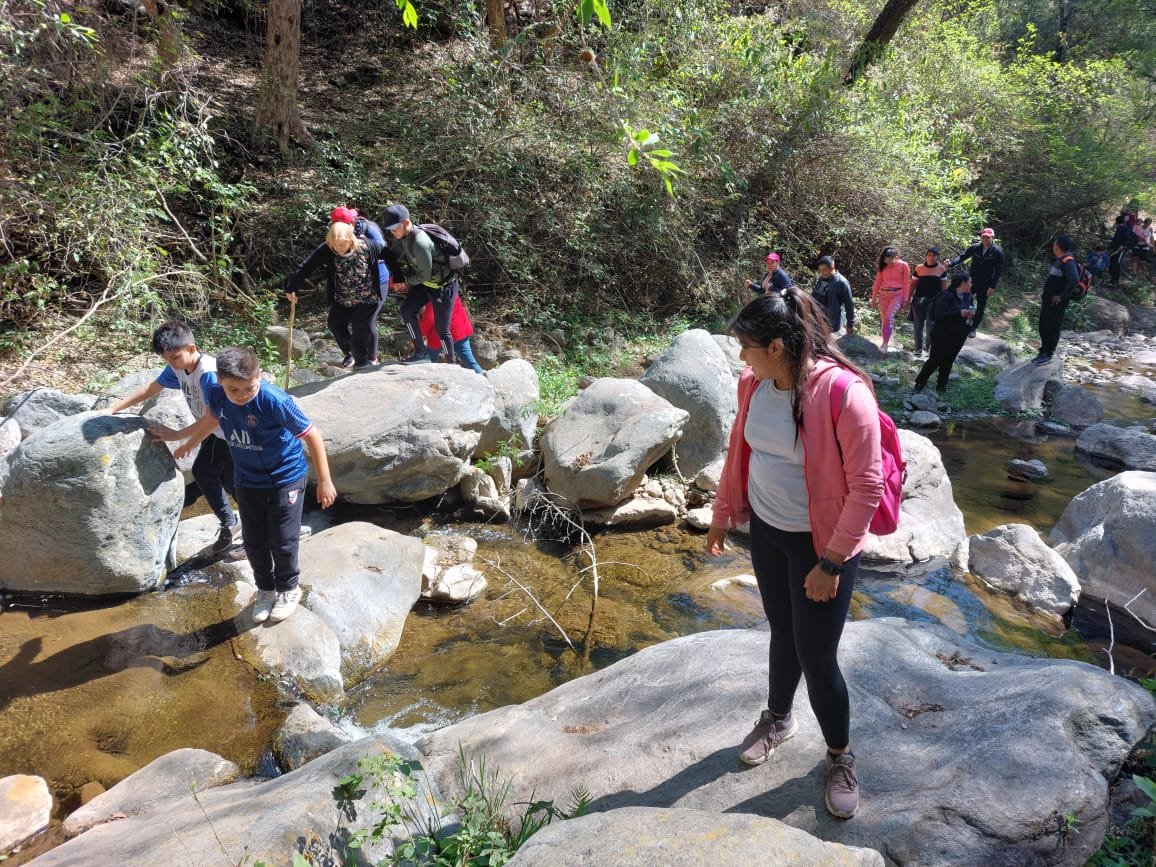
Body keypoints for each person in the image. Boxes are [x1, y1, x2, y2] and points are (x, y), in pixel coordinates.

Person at [707, 287, 884, 820]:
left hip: (821, 543)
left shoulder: (843, 394)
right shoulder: (752, 384)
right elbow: (740, 449)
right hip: (767, 529)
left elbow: (867, 486)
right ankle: (778, 718)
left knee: (817, 654)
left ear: (779, 346)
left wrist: (831, 562)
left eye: (748, 346)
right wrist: (722, 513)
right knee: (782, 631)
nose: (742, 356)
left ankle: (839, 756)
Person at [157, 347, 337, 624]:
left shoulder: (273, 400)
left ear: (259, 377)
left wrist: (324, 480)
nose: (242, 395)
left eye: (248, 388)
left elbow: (312, 434)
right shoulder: (216, 395)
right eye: (234, 389)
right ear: (219, 380)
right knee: (253, 541)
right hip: (247, 478)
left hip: (285, 477)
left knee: (282, 539)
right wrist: (189, 444)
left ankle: (289, 588)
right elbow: (211, 420)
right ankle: (265, 589)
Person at [108, 320, 241, 553]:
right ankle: (231, 523)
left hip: (235, 434)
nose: (171, 364)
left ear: (191, 348)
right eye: (167, 359)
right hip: (216, 433)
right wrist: (113, 409)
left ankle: (262, 530)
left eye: (175, 357)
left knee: (235, 483)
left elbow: (213, 418)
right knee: (203, 472)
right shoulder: (177, 367)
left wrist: (179, 436)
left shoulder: (209, 375)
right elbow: (151, 389)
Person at [286, 221, 390, 371]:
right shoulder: (326, 249)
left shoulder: (366, 246)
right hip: (343, 295)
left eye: (343, 244)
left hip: (368, 295)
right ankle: (351, 352)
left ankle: (363, 361)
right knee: (334, 323)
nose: (339, 249)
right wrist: (292, 287)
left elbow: (387, 254)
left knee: (360, 325)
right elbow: (307, 266)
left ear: (351, 239)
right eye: (336, 245)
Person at [383, 203, 462, 365]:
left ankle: (451, 364)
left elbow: (424, 275)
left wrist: (404, 283)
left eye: (394, 228)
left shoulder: (420, 242)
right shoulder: (402, 237)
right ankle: (420, 353)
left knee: (442, 329)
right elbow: (393, 257)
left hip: (443, 287)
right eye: (390, 229)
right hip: (426, 284)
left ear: (406, 223)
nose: (392, 232)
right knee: (407, 310)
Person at [912, 274, 975, 395]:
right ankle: (920, 383)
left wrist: (971, 314)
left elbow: (970, 310)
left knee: (949, 360)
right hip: (942, 332)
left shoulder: (968, 296)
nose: (971, 285)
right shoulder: (945, 295)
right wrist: (959, 313)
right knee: (935, 359)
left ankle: (941, 386)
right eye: (970, 282)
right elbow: (937, 315)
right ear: (963, 283)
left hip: (959, 333)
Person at [948, 227, 1004, 337]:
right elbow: (962, 256)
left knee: (981, 305)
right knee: (964, 300)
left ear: (992, 237)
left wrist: (992, 286)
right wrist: (951, 263)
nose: (985, 239)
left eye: (988, 237)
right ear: (981, 237)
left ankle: (973, 327)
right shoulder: (975, 248)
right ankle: (961, 322)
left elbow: (998, 271)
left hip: (986, 283)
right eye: (983, 237)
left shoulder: (997, 252)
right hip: (971, 281)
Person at [1034, 234, 1080, 366]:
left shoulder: (1068, 261)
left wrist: (1062, 296)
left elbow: (1074, 279)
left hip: (1056, 303)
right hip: (1048, 301)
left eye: (1055, 243)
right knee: (1043, 325)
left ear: (1058, 246)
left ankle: (1048, 353)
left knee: (1052, 327)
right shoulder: (1061, 259)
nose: (1053, 245)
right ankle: (1042, 352)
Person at [330, 205, 392, 298]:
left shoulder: (367, 228)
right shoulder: (336, 235)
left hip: (378, 279)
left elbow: (382, 250)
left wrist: (365, 245)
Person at [419, 294, 485, 373]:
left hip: (441, 335)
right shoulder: (451, 288)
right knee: (471, 362)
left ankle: (426, 378)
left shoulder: (433, 294)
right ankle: (484, 377)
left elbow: (429, 319)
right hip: (460, 330)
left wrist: (418, 336)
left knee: (427, 358)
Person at [909, 247, 949, 357]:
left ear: (937, 257)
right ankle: (918, 349)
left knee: (931, 326)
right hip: (918, 300)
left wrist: (945, 303)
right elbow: (913, 285)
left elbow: (944, 288)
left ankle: (929, 349)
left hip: (934, 301)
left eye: (934, 255)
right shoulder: (919, 268)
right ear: (926, 256)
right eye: (929, 255)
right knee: (918, 325)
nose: (931, 257)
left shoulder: (942, 269)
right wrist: (907, 298)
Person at [870, 246, 910, 352]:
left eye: (890, 260)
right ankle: (886, 340)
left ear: (896, 257)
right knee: (884, 320)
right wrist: (873, 298)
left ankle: (885, 344)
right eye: (886, 260)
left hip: (897, 295)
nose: (888, 262)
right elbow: (877, 282)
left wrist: (906, 299)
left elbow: (906, 283)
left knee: (888, 318)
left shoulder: (903, 265)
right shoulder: (883, 266)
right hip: (883, 295)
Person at [811, 256, 855, 336]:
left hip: (831, 321)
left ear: (832, 268)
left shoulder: (842, 282)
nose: (821, 272)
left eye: (824, 270)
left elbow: (849, 304)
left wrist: (850, 324)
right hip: (817, 318)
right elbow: (814, 295)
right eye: (820, 270)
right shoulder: (821, 278)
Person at [1108, 214, 1134, 287]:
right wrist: (1110, 248)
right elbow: (1115, 240)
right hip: (1115, 249)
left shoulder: (1125, 228)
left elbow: (1128, 239)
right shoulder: (1120, 228)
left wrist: (1123, 246)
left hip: (1121, 249)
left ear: (1117, 222)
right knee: (1112, 262)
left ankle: (1116, 281)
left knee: (1117, 263)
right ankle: (1112, 279)